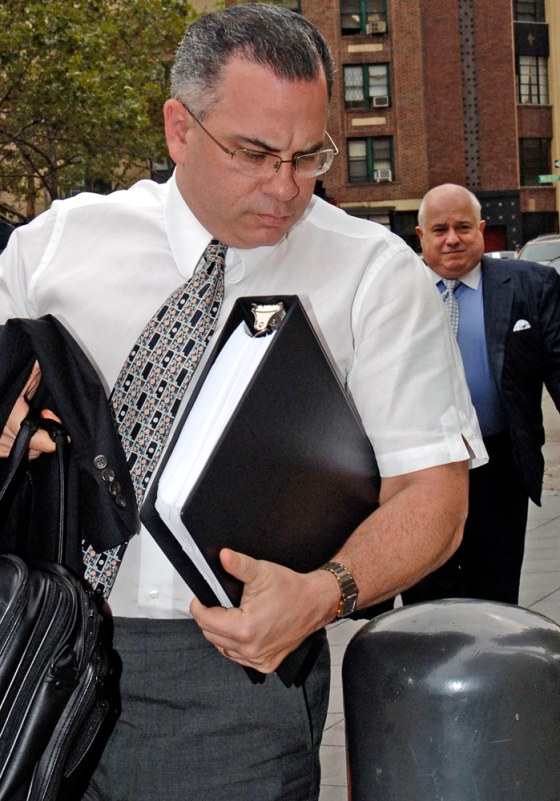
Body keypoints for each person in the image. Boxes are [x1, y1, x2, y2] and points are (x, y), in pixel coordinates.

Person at [0, 7, 486, 801]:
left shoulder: (375, 274)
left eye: (309, 156)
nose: (285, 187)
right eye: (255, 154)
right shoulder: (54, 246)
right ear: (179, 129)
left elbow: (435, 496)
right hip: (29, 638)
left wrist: (324, 592)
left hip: (227, 680)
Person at [403, 183, 560, 607]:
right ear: (421, 236)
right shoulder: (394, 292)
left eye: (463, 227)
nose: (452, 239)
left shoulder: (532, 285)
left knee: (495, 596)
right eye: (440, 230)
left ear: (482, 229)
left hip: (499, 465)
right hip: (419, 469)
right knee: (425, 598)